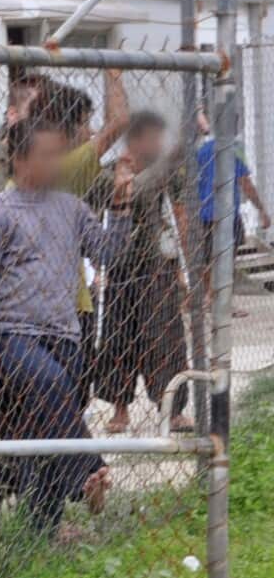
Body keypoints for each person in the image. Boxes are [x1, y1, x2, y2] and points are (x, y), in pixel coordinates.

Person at [0, 70, 130, 520]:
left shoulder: (71, 207)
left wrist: (122, 206)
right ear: (20, 159)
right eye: (48, 155)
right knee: (51, 386)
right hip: (16, 336)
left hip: (66, 334)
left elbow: (109, 253)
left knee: (45, 426)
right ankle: (90, 470)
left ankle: (43, 527)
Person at [87, 112, 192, 434]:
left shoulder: (164, 170)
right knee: (117, 341)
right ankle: (120, 410)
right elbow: (90, 215)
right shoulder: (107, 173)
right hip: (119, 268)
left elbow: (179, 213)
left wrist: (185, 267)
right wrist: (95, 265)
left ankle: (171, 410)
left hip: (155, 265)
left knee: (165, 338)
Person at [196, 111, 272, 315]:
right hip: (227, 213)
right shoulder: (235, 149)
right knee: (226, 260)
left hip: (205, 212)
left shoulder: (202, 150)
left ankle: (209, 298)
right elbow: (245, 183)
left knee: (208, 259)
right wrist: (262, 210)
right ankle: (221, 304)